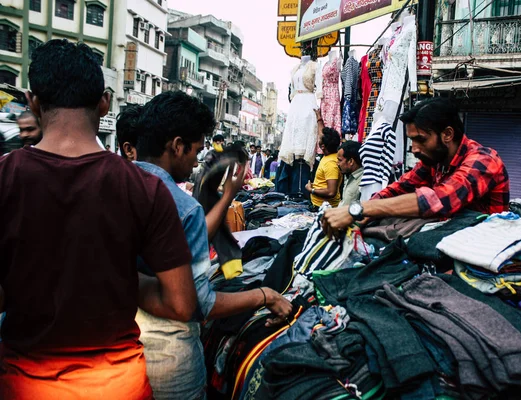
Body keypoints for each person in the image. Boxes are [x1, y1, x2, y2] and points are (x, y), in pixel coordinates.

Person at [0, 39, 197, 400]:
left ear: (32, 102)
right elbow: (181, 303)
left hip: (26, 386)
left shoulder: (5, 177)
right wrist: (120, 278)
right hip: (119, 386)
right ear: (104, 103)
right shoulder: (145, 188)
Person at [133, 91, 292, 400]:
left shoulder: (111, 184)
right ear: (177, 146)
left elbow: (176, 247)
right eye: (196, 150)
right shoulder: (182, 206)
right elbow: (198, 304)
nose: (196, 159)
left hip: (118, 351)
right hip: (168, 358)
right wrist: (265, 295)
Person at [322, 97, 510, 236]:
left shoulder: (484, 161)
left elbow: (440, 200)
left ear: (447, 134)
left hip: (488, 248)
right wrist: (361, 212)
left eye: (421, 140)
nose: (414, 149)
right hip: (453, 240)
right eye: (412, 140)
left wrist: (360, 210)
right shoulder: (434, 161)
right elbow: (399, 187)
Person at [306, 125, 342, 207]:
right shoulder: (328, 157)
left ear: (323, 146)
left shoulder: (331, 163)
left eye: (319, 139)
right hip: (319, 205)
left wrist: (311, 190)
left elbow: (331, 192)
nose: (317, 140)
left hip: (323, 207)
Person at [337, 140, 364, 207]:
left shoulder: (362, 181)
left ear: (351, 161)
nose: (337, 163)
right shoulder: (348, 175)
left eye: (340, 160)